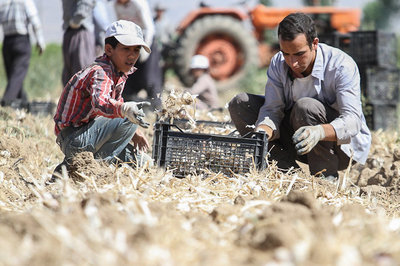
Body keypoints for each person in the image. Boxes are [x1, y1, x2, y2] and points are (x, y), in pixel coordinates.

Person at [228, 13, 371, 179]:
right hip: (298, 142)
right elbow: (272, 110)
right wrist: (262, 133)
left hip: (341, 149)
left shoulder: (340, 65)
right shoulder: (278, 63)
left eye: (299, 54)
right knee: (241, 103)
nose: (292, 62)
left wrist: (319, 131)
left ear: (314, 44)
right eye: (286, 54)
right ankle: (288, 174)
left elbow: (353, 121)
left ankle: (324, 178)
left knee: (306, 107)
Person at [52, 20, 152, 181]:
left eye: (136, 50)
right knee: (128, 115)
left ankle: (67, 170)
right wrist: (127, 112)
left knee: (144, 163)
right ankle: (91, 170)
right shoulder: (101, 72)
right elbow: (101, 103)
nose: (132, 55)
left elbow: (115, 104)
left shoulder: (119, 73)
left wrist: (134, 132)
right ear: (109, 49)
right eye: (126, 49)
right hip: (73, 137)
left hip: (88, 136)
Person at [115, 0, 163, 110]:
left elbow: (150, 28)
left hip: (146, 42)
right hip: (130, 43)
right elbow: (120, 24)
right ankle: (129, 106)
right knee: (129, 77)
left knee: (150, 78)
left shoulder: (138, 3)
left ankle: (156, 109)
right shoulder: (116, 5)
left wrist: (146, 49)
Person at [0, 0, 46, 108]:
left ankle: (24, 103)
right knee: (17, 76)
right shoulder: (25, 1)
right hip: (21, 41)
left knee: (14, 76)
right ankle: (5, 104)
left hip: (7, 42)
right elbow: (35, 22)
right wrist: (40, 42)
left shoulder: (4, 3)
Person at [61, 0, 97, 86]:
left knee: (83, 69)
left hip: (81, 30)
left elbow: (85, 5)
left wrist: (76, 20)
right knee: (69, 72)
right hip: (70, 29)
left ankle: (85, 98)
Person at [153, 2, 174, 84]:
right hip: (155, 47)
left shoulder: (167, 23)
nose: (159, 12)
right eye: (158, 10)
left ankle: (162, 82)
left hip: (164, 48)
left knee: (164, 66)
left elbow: (171, 36)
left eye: (161, 11)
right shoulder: (153, 21)